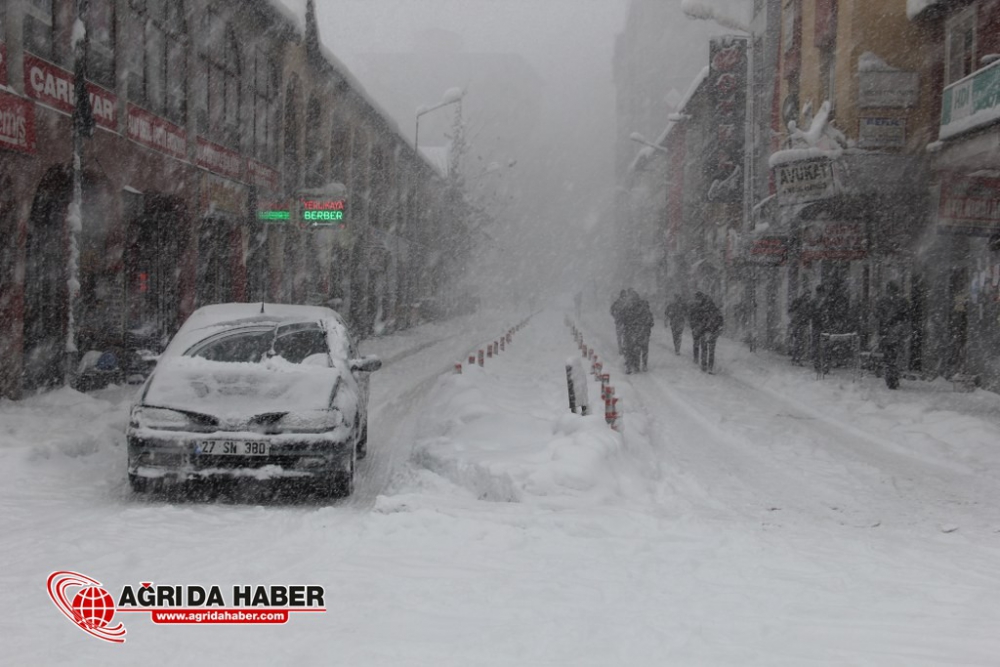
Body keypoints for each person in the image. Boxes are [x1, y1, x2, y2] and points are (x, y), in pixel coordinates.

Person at [876, 281, 911, 389]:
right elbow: (907, 316)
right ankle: (894, 377)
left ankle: (890, 378)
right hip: (897, 332)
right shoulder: (902, 301)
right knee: (896, 356)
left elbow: (877, 315)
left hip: (886, 332)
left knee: (888, 356)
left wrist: (883, 326)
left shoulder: (882, 301)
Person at [697, 293, 723, 373]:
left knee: (704, 349)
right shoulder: (716, 311)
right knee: (711, 351)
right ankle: (710, 367)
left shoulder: (702, 310)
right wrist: (718, 331)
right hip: (713, 332)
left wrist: (700, 330)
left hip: (705, 332)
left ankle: (704, 365)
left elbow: (699, 320)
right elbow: (721, 322)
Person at [788, 289, 813, 365]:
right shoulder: (800, 302)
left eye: (809, 295)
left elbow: (808, 313)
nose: (808, 296)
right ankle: (796, 358)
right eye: (807, 295)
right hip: (799, 323)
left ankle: (797, 358)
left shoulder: (807, 303)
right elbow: (792, 311)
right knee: (799, 341)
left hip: (803, 324)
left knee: (800, 341)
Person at [635, 295, 654, 372]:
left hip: (638, 333)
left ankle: (637, 366)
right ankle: (644, 365)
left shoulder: (636, 312)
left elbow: (633, 323)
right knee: (645, 350)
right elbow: (652, 323)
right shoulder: (648, 313)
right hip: (645, 333)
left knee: (637, 350)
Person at [611, 290, 627, 355]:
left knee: (620, 336)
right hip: (624, 322)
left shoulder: (617, 302)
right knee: (623, 336)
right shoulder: (626, 302)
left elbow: (611, 310)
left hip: (620, 322)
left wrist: (615, 316)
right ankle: (623, 348)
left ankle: (621, 349)